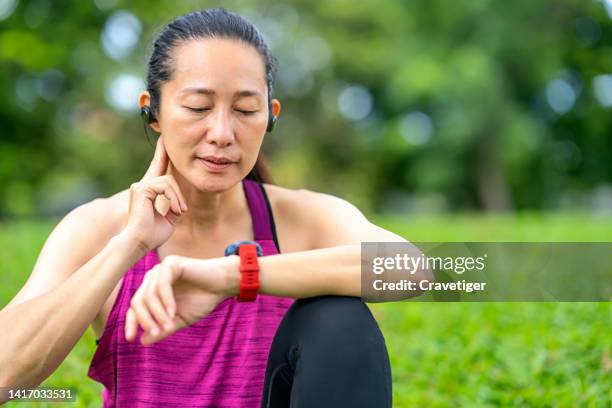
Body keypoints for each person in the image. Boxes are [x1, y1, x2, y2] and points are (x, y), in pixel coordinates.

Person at [0, 8, 431, 407]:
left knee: (339, 317)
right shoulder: (97, 228)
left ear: (271, 116)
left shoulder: (302, 219)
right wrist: (128, 245)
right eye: (198, 107)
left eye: (245, 110)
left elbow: (419, 272)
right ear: (153, 112)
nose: (223, 132)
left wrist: (232, 276)